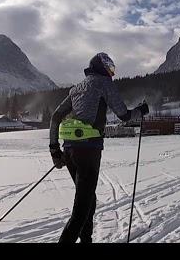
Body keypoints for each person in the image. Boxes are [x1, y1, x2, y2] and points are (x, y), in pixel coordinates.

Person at [49, 52, 149, 243]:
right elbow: (124, 115)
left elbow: (55, 117)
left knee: (88, 201)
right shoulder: (105, 84)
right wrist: (141, 110)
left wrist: (55, 150)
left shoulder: (76, 88)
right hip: (89, 151)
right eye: (110, 68)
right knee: (80, 211)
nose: (112, 72)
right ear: (102, 68)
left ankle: (86, 241)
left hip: (70, 150)